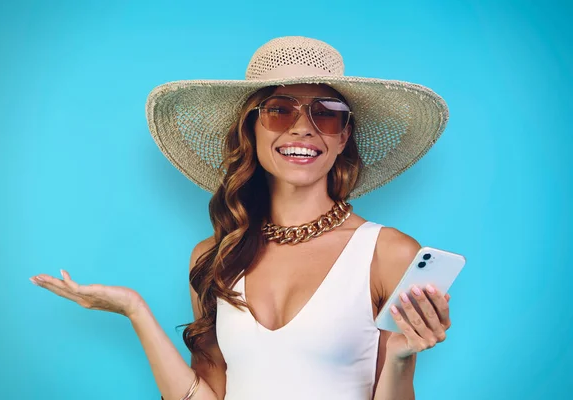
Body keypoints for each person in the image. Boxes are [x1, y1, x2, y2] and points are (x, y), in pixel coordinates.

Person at [30, 36, 454, 400]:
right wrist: (134, 310)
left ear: (343, 136)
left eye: (325, 112)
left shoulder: (388, 253)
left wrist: (402, 356)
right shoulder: (216, 256)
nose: (303, 129)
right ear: (251, 128)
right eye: (280, 110)